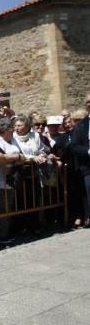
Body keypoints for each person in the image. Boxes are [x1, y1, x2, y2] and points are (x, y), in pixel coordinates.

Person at [71, 92, 90, 227]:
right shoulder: (81, 125)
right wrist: (88, 151)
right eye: (88, 102)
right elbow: (75, 146)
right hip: (88, 167)